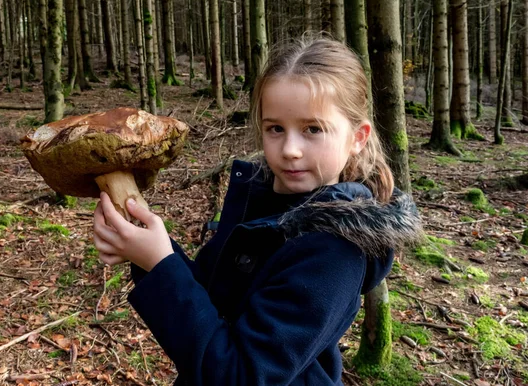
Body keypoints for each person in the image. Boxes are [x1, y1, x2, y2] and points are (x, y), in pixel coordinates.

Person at [93, 36, 423, 385]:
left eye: (313, 129)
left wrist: (160, 265)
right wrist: (151, 255)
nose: (290, 149)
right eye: (275, 128)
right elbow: (212, 300)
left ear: (357, 137)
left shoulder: (334, 249)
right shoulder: (263, 202)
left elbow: (242, 375)